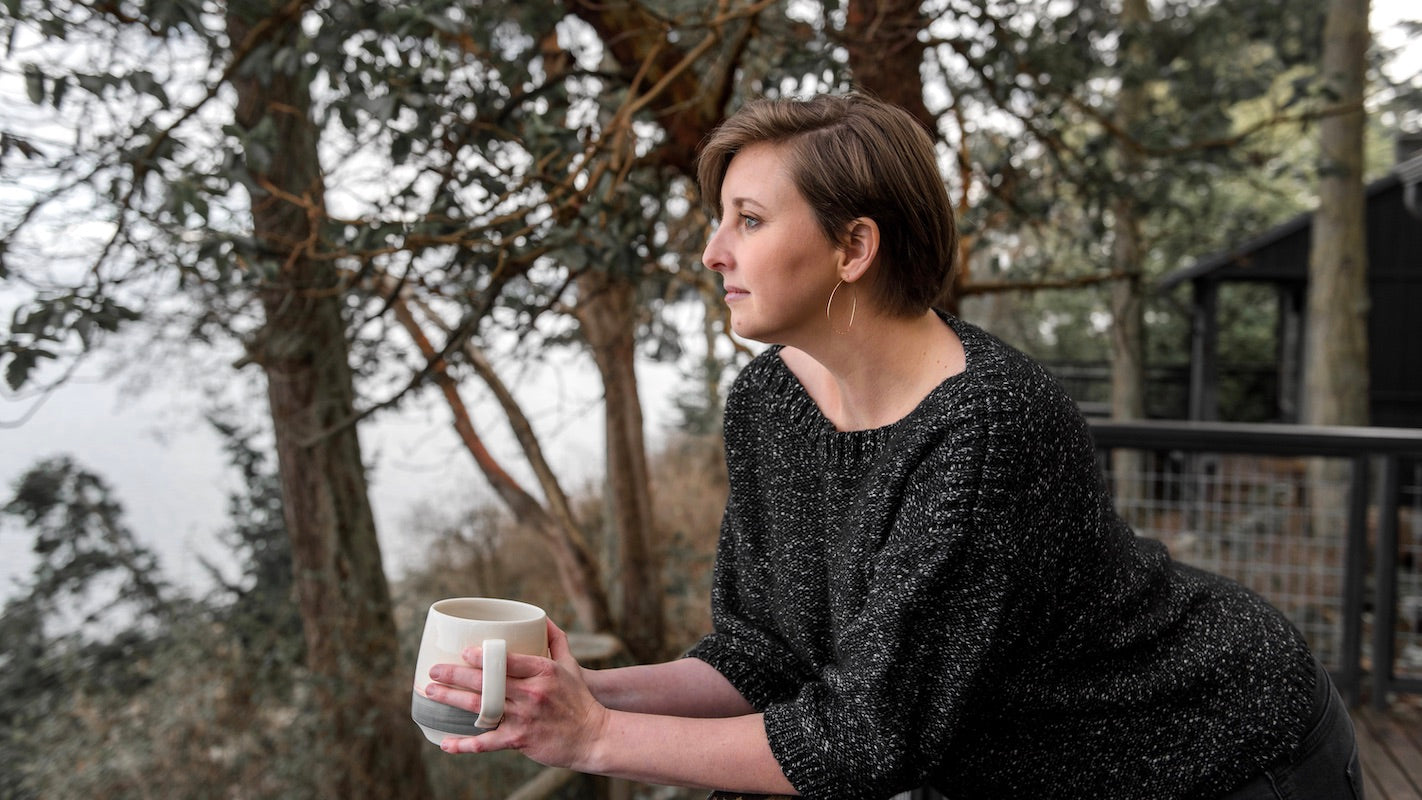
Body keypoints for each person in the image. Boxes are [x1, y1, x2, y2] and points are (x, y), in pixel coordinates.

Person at [422, 92, 1364, 800]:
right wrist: (589, 691)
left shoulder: (989, 429)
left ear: (853, 248)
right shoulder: (769, 400)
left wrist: (594, 741)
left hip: (1217, 749)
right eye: (721, 220)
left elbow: (863, 741)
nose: (713, 252)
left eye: (748, 220)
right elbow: (759, 656)